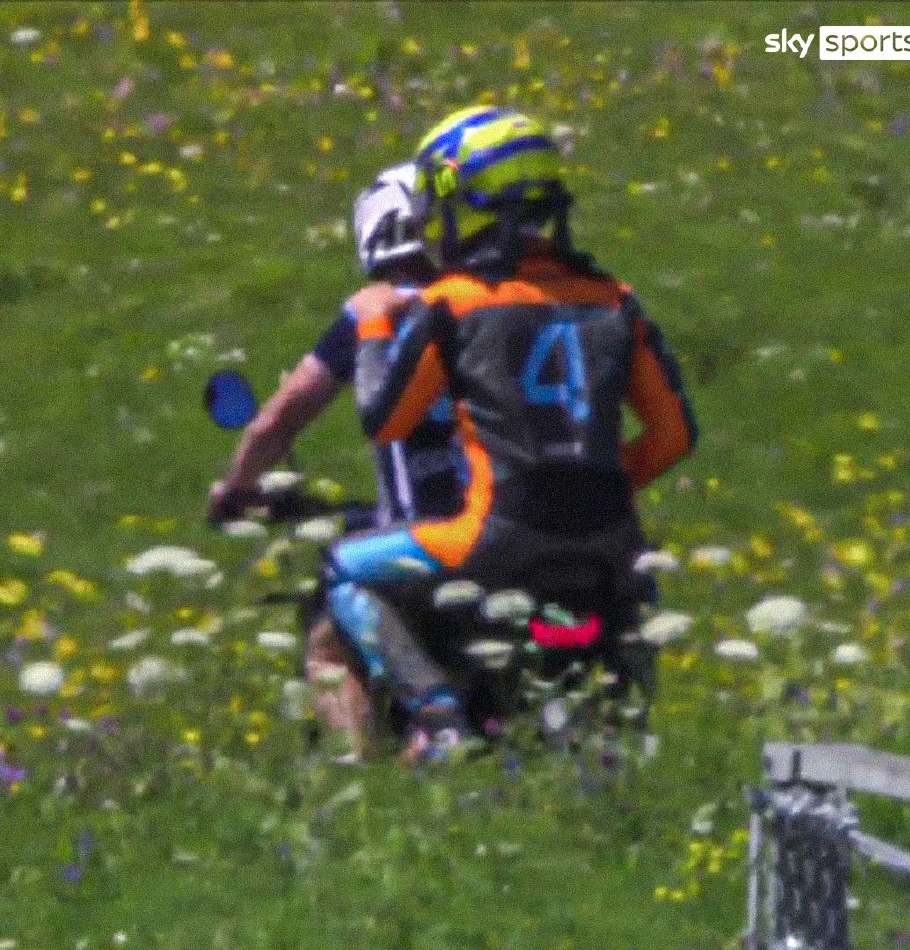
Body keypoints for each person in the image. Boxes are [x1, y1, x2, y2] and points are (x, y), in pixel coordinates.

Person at [326, 106, 698, 761]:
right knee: (636, 589)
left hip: (493, 536)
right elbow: (672, 436)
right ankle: (625, 721)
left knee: (342, 569)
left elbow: (386, 421)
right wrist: (597, 479)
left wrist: (376, 325)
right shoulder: (615, 299)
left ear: (461, 205)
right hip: (609, 539)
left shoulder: (457, 301)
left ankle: (438, 716)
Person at [208, 161, 463, 758]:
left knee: (326, 635)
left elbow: (279, 419)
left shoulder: (376, 311)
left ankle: (368, 763)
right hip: (504, 518)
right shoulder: (482, 305)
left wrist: (236, 486)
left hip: (427, 535)